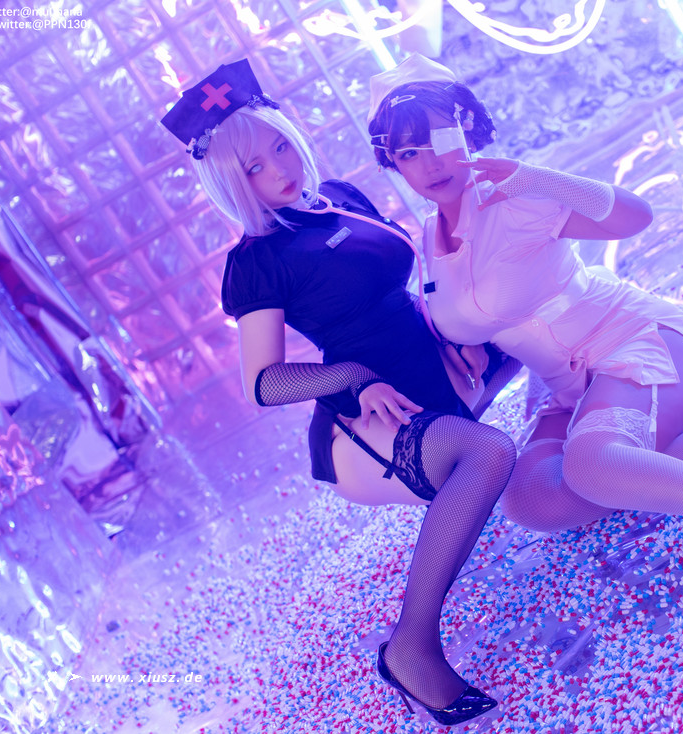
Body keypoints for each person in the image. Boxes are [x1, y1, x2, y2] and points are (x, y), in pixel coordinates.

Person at [366, 55, 683, 583]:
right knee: (532, 502)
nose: (430, 164)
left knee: (592, 466)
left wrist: (537, 178)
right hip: (567, 386)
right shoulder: (428, 237)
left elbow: (636, 216)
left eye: (438, 140)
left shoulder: (510, 198)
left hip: (639, 342)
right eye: (408, 153)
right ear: (394, 163)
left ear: (466, 130)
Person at [161, 59, 517, 726]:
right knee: (489, 452)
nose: (280, 169)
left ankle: (603, 443)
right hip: (370, 415)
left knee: (522, 319)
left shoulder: (340, 196)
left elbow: (400, 287)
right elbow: (263, 382)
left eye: (280, 147)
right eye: (254, 168)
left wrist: (449, 326)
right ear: (232, 183)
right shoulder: (256, 260)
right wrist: (351, 378)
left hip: (429, 362)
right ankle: (410, 648)